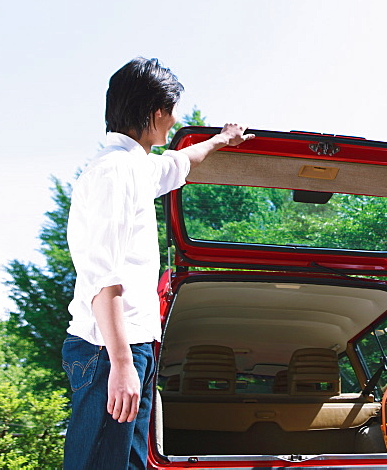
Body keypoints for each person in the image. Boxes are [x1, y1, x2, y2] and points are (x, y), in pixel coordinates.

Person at [61, 57, 253, 470]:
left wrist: (221, 140)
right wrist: (121, 365)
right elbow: (102, 281)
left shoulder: (135, 167)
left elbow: (179, 164)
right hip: (107, 351)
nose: (175, 120)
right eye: (171, 110)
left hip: (131, 348)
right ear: (153, 114)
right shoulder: (114, 174)